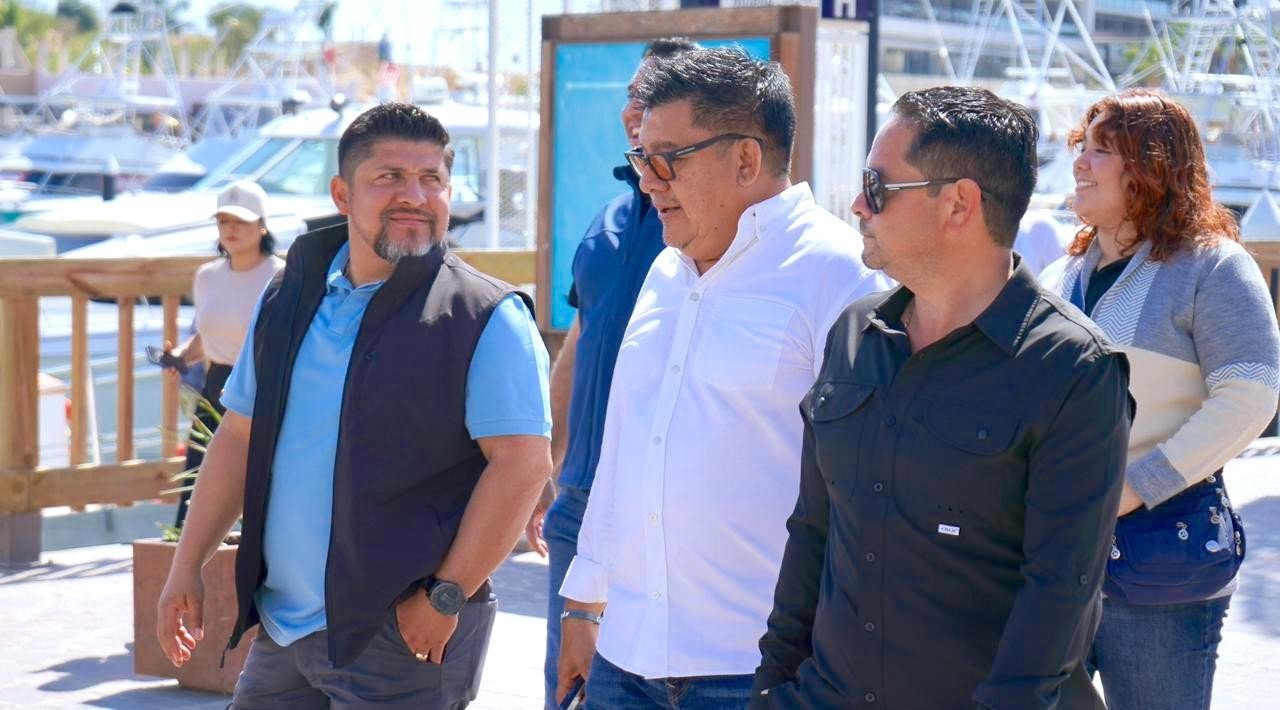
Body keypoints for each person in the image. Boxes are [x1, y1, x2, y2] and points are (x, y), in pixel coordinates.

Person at [155, 103, 553, 709]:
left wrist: (446, 595)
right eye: (389, 177)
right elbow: (238, 438)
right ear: (342, 194)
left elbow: (523, 466)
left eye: (432, 179)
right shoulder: (288, 294)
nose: (414, 195)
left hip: (402, 634)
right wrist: (187, 565)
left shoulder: (485, 316)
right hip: (282, 628)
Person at [751, 86, 1133, 709]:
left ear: (959, 204)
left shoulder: (1073, 369)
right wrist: (772, 689)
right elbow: (812, 532)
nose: (857, 204)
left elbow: (1059, 597)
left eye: (877, 186)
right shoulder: (853, 333)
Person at [556, 47, 892, 709]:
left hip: (760, 670)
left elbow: (872, 489)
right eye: (640, 158)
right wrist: (584, 604)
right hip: (624, 659)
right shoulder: (665, 269)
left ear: (745, 159)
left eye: (667, 158)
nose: (648, 182)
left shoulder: (842, 275)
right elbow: (626, 444)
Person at [1040, 89, 1280, 710]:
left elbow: (1251, 394)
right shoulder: (1061, 275)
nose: (1079, 162)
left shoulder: (1213, 267)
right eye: (1081, 146)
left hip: (1160, 565)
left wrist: (1134, 487)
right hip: (1053, 561)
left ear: (1151, 164)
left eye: (1101, 150)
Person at [523, 36, 699, 710]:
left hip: (662, 513)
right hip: (579, 507)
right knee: (569, 691)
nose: (633, 110)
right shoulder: (607, 222)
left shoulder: (707, 225)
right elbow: (581, 341)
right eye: (631, 96)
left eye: (650, 97)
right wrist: (544, 470)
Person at [166, 181, 284, 528]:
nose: (231, 229)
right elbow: (207, 336)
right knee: (198, 479)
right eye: (223, 221)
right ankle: (185, 554)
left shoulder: (281, 275)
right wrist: (180, 356)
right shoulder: (207, 276)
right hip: (216, 385)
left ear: (262, 226)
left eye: (241, 221)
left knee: (262, 483)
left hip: (263, 388)